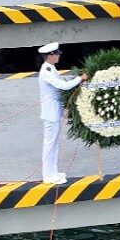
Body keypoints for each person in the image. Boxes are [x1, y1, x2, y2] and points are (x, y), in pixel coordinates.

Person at [37, 42, 86, 185]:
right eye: (57, 54)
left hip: (55, 110)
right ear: (50, 55)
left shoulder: (51, 68)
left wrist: (74, 79)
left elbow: (61, 80)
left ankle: (53, 171)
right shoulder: (46, 71)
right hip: (50, 112)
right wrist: (80, 79)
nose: (59, 56)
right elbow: (62, 86)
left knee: (55, 143)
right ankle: (48, 175)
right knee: (50, 143)